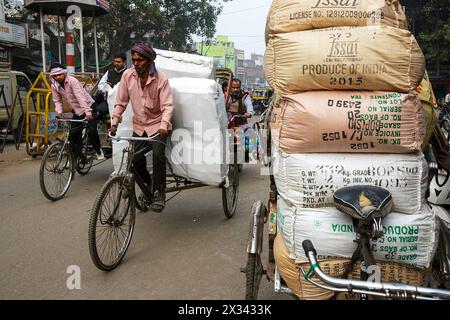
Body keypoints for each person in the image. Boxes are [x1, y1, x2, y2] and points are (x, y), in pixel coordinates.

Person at [109, 42, 174, 212]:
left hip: (158, 125)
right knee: (133, 159)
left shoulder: (161, 79)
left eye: (140, 60)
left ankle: (159, 192)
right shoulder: (127, 76)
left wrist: (164, 125)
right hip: (139, 126)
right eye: (134, 60)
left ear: (149, 61)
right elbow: (121, 101)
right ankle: (147, 182)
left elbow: (168, 106)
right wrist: (114, 123)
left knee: (158, 156)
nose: (136, 63)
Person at [50, 63, 104, 160]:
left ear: (64, 73)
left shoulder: (72, 81)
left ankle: (98, 150)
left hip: (89, 107)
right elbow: (57, 100)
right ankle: (76, 157)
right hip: (77, 110)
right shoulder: (54, 85)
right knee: (73, 135)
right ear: (53, 76)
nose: (58, 77)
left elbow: (80, 97)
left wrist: (88, 113)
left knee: (92, 131)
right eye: (55, 76)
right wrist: (59, 112)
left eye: (60, 74)